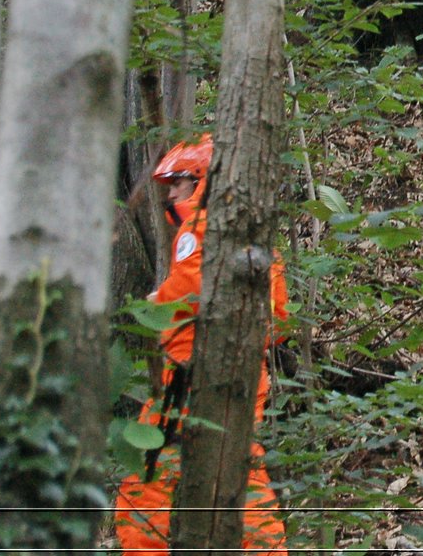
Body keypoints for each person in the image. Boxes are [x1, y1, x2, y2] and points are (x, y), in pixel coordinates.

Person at [114, 134, 290, 554]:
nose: (171, 193)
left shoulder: (201, 230)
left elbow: (187, 293)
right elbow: (278, 318)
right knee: (234, 483)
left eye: (179, 182)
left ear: (204, 181)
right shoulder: (253, 236)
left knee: (146, 491)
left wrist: (154, 305)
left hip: (192, 386)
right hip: (234, 381)